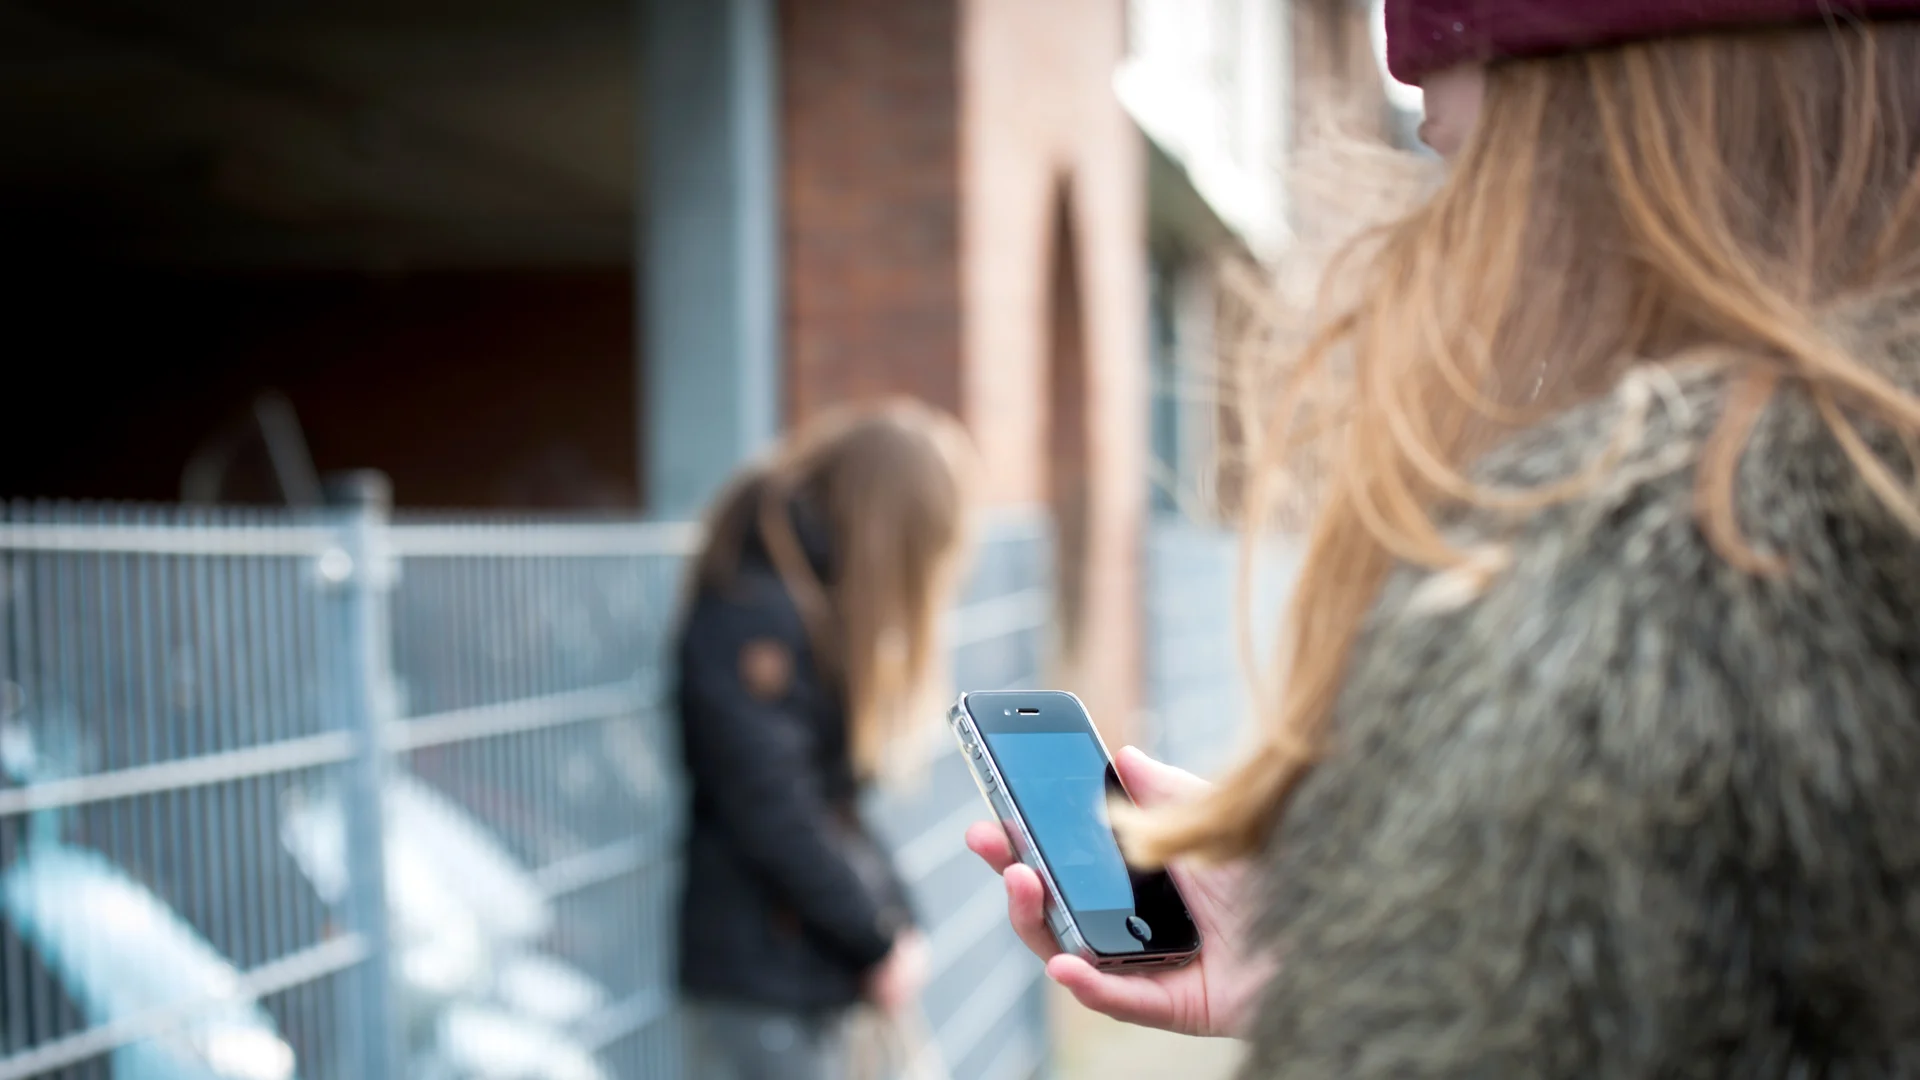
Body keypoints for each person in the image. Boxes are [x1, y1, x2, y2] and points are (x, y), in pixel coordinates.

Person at [970, 0, 1920, 1074]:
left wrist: (1421, 942)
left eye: (1472, 166)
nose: (1454, 242)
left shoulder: (1616, 611)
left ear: (1638, 160)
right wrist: (1366, 925)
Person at [676, 399, 975, 1080]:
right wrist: (876, 936)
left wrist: (893, 924)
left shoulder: (797, 600)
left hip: (794, 974)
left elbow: (827, 801)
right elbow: (774, 805)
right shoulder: (758, 614)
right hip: (761, 982)